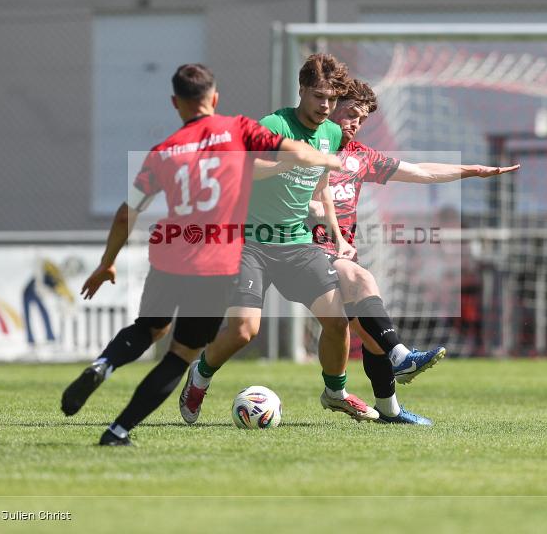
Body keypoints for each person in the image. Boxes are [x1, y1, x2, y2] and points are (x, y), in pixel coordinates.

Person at [60, 63, 342, 445]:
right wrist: (326, 158)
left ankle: (103, 364)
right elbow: (293, 150)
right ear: (215, 98)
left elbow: (128, 212)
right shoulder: (237, 128)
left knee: (149, 328)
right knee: (180, 354)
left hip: (171, 252)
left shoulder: (162, 152)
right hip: (214, 261)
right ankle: (118, 430)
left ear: (175, 103)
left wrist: (106, 262)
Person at [178, 54, 379, 424]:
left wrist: (337, 237)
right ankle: (200, 376)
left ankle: (335, 392)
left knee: (337, 320)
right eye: (318, 96)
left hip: (297, 244)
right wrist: (291, 161)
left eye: (332, 99)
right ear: (301, 90)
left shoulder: (331, 133)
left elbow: (322, 191)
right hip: (250, 242)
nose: (325, 106)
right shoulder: (275, 125)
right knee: (244, 331)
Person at [308, 79, 519, 424]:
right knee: (360, 279)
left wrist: (472, 171)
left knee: (370, 334)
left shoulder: (360, 157)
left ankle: (389, 409)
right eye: (350, 114)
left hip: (340, 252)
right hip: (304, 251)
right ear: (331, 108)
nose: (354, 124)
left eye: (361, 120)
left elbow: (420, 172)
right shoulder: (307, 150)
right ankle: (401, 356)